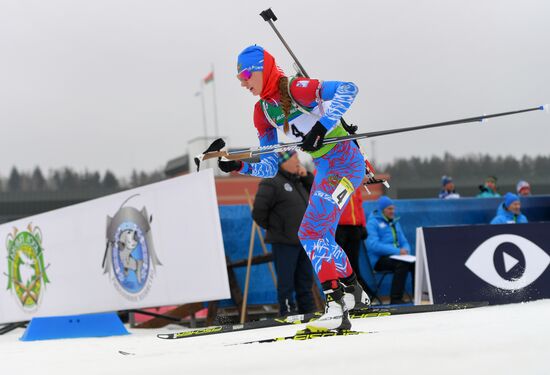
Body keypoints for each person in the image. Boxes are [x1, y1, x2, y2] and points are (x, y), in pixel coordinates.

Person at [216, 45, 369, 331]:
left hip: (347, 164)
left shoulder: (298, 88)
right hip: (325, 168)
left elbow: (349, 89)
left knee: (311, 231)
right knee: (319, 233)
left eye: (246, 73)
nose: (242, 81)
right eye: (238, 77)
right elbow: (270, 167)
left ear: (264, 69)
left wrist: (322, 127)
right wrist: (238, 167)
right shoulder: (262, 112)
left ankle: (335, 304)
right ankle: (353, 292)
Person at [252, 150, 317, 316]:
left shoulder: (299, 181)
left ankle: (309, 312)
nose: (299, 162)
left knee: (305, 281)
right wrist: (276, 228)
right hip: (284, 242)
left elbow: (316, 196)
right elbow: (259, 212)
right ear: (283, 162)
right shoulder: (271, 181)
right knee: (286, 282)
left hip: (304, 241)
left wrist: (307, 177)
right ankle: (288, 312)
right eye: (295, 158)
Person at [366, 196, 415, 304]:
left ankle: (418, 295)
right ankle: (396, 299)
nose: (392, 211)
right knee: (402, 264)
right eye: (389, 209)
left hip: (395, 257)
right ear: (382, 209)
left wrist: (406, 250)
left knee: (416, 263)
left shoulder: (395, 222)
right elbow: (373, 245)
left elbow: (404, 242)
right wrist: (397, 251)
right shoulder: (372, 222)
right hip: (378, 260)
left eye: (393, 208)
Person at [335, 183, 375, 299]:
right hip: (338, 227)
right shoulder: (330, 173)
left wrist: (362, 224)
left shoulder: (353, 180)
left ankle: (357, 296)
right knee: (339, 264)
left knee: (353, 266)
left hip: (353, 227)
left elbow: (359, 204)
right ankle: (340, 295)